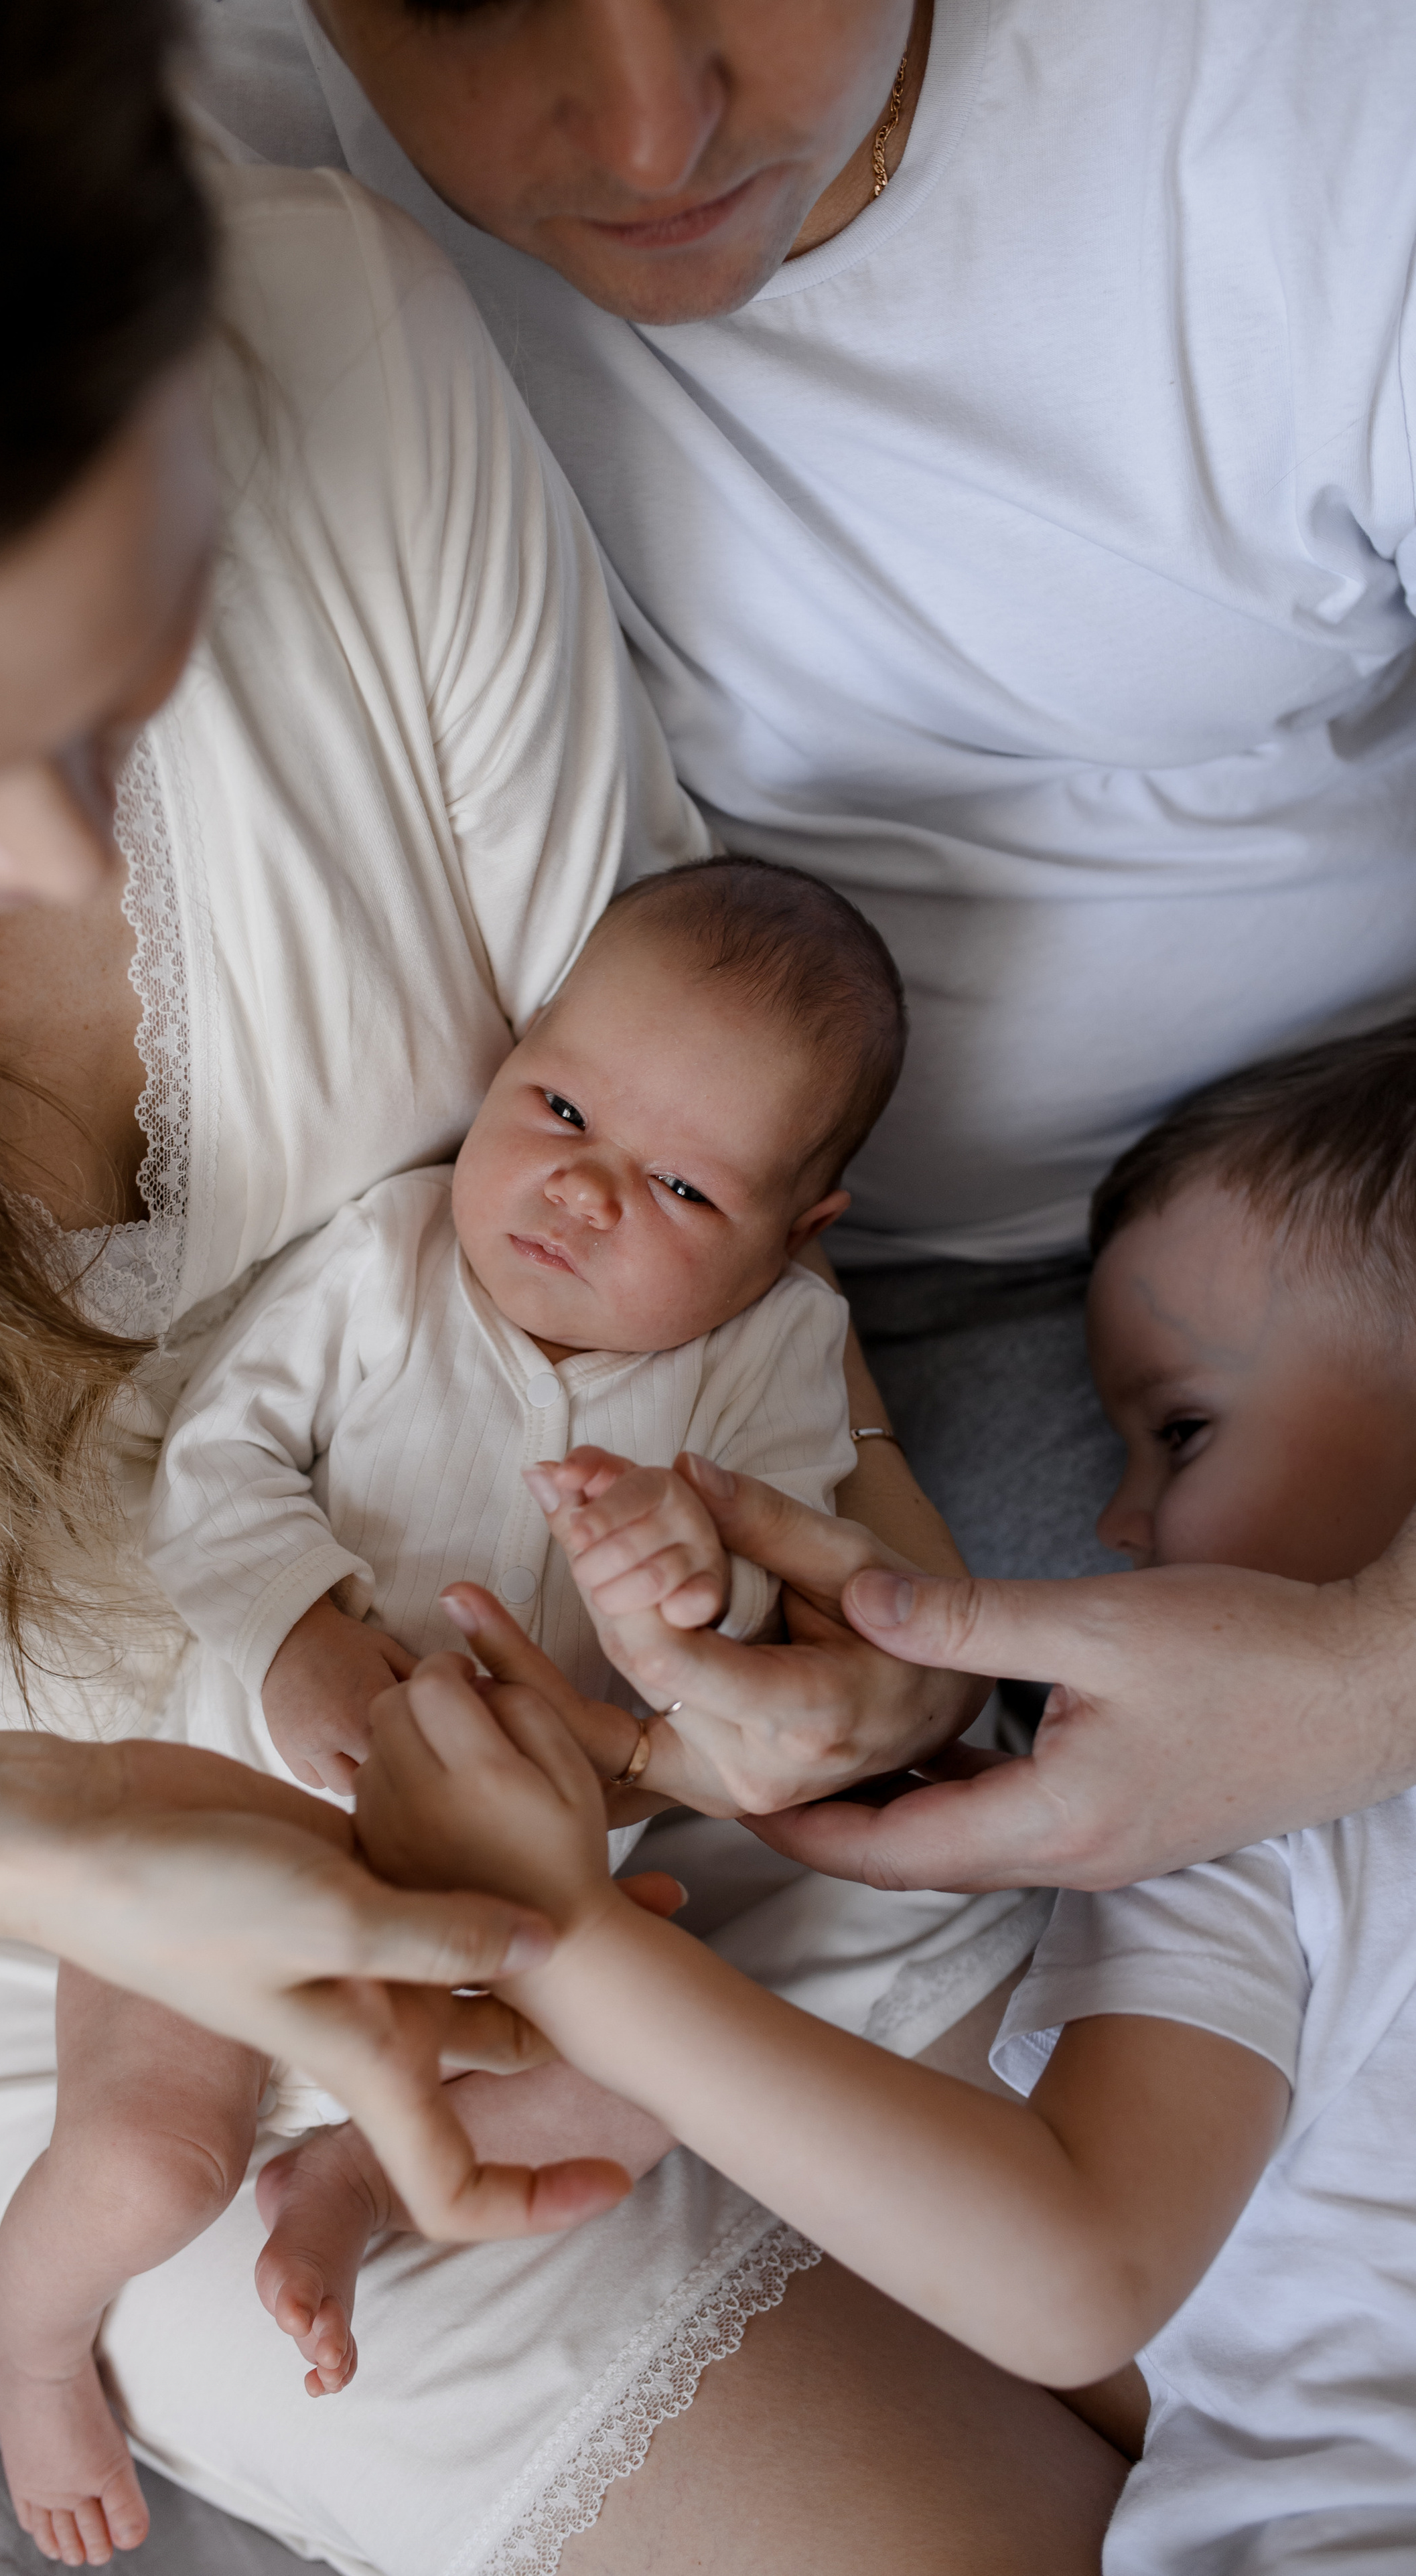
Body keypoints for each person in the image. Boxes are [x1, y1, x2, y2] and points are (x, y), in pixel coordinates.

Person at [0, 7, 1127, 2569]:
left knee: (1224, 2367)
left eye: (104, 673)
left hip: (621, 1736)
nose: (38, 854)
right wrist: (61, 1850)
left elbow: (706, 1197)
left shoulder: (334, 343)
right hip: (38, 1936)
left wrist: (871, 1658)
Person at [194, 0, 1416, 1882]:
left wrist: (1366, 1679)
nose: (650, 134)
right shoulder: (194, 154)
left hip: (1288, 1233)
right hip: (652, 1347)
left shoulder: (1317, 105)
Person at [354, 1011, 1416, 2573]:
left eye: (1184, 1426)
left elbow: (1077, 2276)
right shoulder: (1243, 1810)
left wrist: (568, 1945)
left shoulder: (1247, 1808)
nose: (1118, 1520)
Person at [0, 858, 900, 2528]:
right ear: (508, 1055)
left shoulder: (767, 1358)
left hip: (520, 1903)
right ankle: (37, 2353)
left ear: (794, 1234)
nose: (584, 1190)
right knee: (144, 2164)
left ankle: (351, 2177)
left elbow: (783, 1572)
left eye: (685, 1191)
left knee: (668, 2087)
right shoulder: (384, 1259)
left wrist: (694, 1593)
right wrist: (298, 1633)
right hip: (232, 1826)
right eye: (557, 1106)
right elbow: (213, 1466)